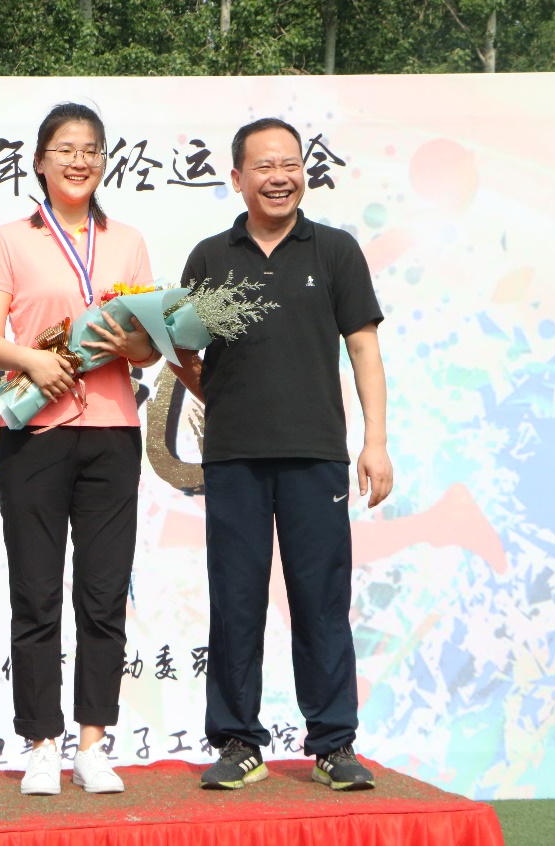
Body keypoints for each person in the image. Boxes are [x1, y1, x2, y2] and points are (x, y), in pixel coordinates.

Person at [170, 117, 393, 791]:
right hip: (233, 455)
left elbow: (363, 348)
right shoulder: (210, 257)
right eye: (264, 166)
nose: (279, 177)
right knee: (235, 598)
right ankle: (237, 741)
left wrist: (375, 441)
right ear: (237, 177)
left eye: (290, 164)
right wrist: (217, 390)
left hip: (315, 453)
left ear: (304, 172)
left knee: (320, 598)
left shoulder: (334, 250)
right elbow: (182, 348)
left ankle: (333, 743)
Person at [0, 102, 160, 796]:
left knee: (104, 594)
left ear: (104, 162)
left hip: (112, 433)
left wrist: (130, 343)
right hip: (36, 435)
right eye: (65, 150)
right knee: (36, 593)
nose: (78, 161)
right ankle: (41, 744)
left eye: (90, 150)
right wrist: (33, 360)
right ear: (40, 162)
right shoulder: (10, 239)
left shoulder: (128, 241)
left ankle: (93, 744)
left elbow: (150, 348)